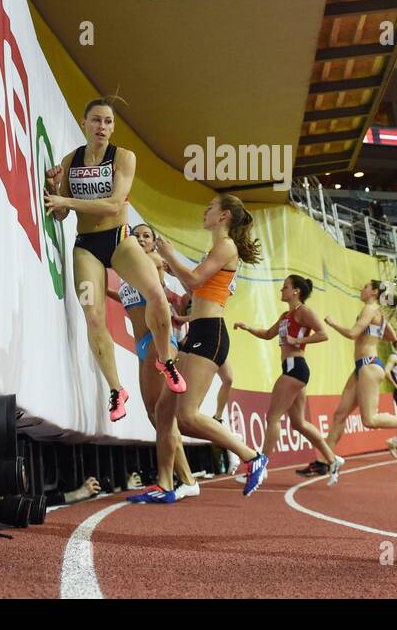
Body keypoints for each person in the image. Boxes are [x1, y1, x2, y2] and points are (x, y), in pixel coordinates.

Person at [44, 98, 184, 423]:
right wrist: (54, 188)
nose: (102, 127)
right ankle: (116, 390)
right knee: (93, 317)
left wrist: (65, 197)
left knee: (156, 295)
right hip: (87, 245)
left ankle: (165, 359)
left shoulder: (123, 157)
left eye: (108, 122)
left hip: (120, 240)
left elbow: (113, 204)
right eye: (96, 120)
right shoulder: (71, 160)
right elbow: (62, 213)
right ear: (84, 123)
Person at [150, 195, 269, 502]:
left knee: (187, 417)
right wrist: (166, 264)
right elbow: (196, 285)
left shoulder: (226, 246)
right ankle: (166, 484)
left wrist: (170, 253)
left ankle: (251, 455)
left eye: (210, 207)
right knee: (163, 409)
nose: (205, 211)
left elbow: (192, 280)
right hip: (197, 331)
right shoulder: (217, 248)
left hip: (210, 333)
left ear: (223, 215)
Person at [109, 224, 198, 501]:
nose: (141, 239)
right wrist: (104, 291)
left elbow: (158, 283)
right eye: (136, 236)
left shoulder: (152, 262)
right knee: (156, 415)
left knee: (160, 414)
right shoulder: (130, 272)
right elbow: (129, 300)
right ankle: (186, 479)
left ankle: (169, 482)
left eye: (146, 236)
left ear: (153, 242)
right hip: (142, 345)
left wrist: (163, 258)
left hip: (157, 344)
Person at [322, 281, 397, 483]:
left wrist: (332, 323)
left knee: (370, 420)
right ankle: (324, 461)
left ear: (374, 291)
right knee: (340, 415)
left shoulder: (370, 308)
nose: (361, 288)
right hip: (362, 366)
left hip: (368, 364)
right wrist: (378, 327)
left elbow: (352, 334)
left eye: (365, 286)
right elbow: (391, 336)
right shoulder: (377, 313)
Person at [234, 275, 345, 481]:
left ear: (296, 291)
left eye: (285, 287)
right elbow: (268, 334)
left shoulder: (304, 311)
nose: (281, 291)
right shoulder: (286, 315)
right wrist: (248, 328)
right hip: (294, 369)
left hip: (296, 367)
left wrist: (299, 339)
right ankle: (332, 459)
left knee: (272, 417)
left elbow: (323, 334)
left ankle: (261, 467)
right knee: (299, 423)